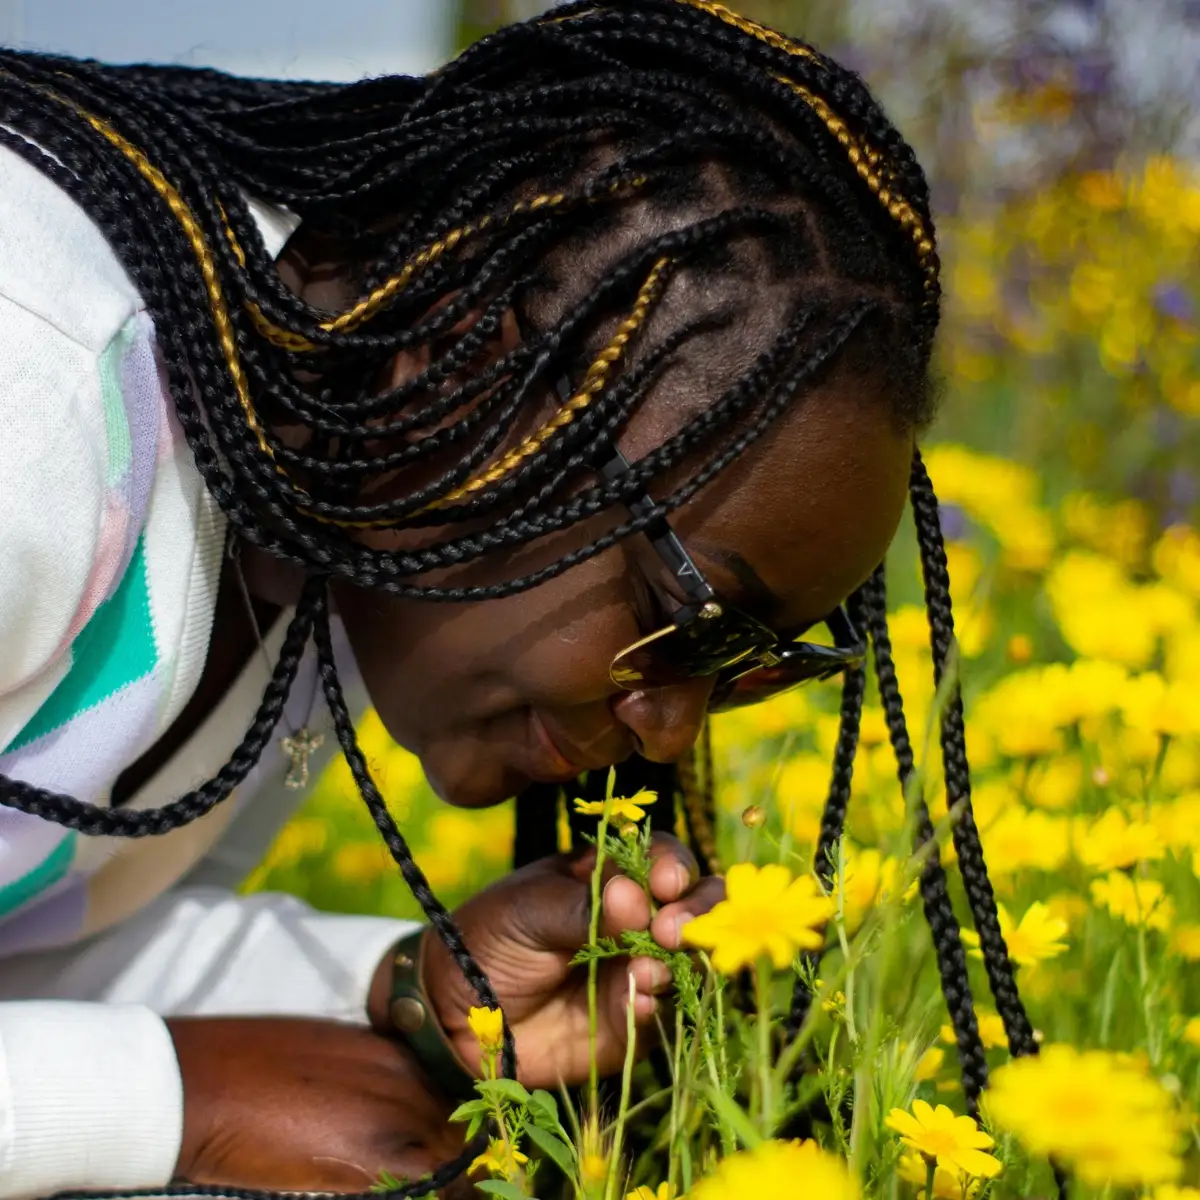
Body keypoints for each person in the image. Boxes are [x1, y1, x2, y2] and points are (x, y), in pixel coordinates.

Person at [0, 1, 1033, 1196]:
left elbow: (33, 965)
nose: (673, 727)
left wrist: (407, 989)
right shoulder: (39, 400)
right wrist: (167, 1102)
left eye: (746, 664)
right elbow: (115, 1069)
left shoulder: (326, 536)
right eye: (682, 610)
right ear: (451, 351)